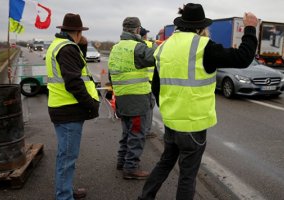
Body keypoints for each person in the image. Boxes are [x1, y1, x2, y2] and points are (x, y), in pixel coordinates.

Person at [138, 3, 258, 200]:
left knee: (165, 162)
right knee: (187, 175)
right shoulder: (203, 46)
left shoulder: (164, 47)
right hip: (193, 123)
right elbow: (243, 58)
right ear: (201, 27)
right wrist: (250, 28)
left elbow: (156, 87)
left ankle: (145, 197)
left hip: (171, 121)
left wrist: (169, 110)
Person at [45, 13, 99, 200]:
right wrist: (91, 105)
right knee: (67, 158)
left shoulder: (60, 45)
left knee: (66, 155)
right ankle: (64, 196)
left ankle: (66, 191)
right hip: (68, 110)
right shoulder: (67, 49)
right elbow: (74, 82)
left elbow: (75, 68)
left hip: (62, 107)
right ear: (77, 31)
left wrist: (82, 45)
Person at [108, 17, 156, 180]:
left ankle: (122, 161)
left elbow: (110, 74)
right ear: (137, 30)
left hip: (122, 98)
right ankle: (131, 168)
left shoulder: (115, 48)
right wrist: (155, 44)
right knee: (136, 133)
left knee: (127, 132)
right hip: (136, 100)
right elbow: (156, 57)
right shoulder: (138, 47)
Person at [139, 27, 157, 139]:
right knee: (149, 107)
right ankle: (146, 131)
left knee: (138, 107)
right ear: (144, 35)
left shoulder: (133, 45)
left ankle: (138, 129)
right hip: (150, 82)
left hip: (136, 82)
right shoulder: (151, 45)